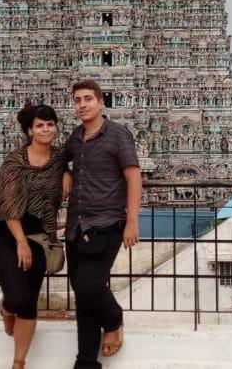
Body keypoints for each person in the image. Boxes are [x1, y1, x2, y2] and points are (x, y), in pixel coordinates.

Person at [64, 80, 142, 368]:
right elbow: (58, 159)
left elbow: (134, 177)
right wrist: (64, 172)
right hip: (76, 225)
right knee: (81, 294)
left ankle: (113, 319)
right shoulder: (75, 137)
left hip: (107, 223)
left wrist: (132, 222)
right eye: (77, 100)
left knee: (89, 287)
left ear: (100, 102)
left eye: (87, 99)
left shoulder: (118, 135)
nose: (82, 105)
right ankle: (85, 361)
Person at [0, 104, 71, 369]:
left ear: (55, 127)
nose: (45, 129)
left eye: (49, 124)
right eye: (39, 125)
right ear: (29, 130)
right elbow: (9, 205)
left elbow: (80, 163)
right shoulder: (14, 161)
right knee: (16, 296)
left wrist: (69, 172)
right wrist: (21, 243)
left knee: (30, 299)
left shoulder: (60, 159)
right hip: (9, 231)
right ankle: (6, 308)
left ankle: (19, 362)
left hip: (40, 234)